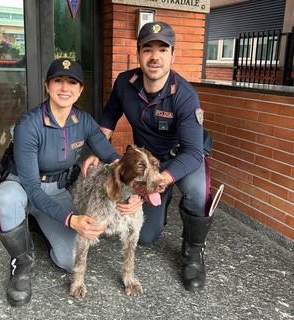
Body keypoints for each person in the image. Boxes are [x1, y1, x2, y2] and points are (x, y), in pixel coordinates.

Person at [83, 22, 218, 292]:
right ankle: (161, 203)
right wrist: (96, 153)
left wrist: (157, 183)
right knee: (145, 237)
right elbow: (108, 120)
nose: (155, 56)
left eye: (162, 49)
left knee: (198, 192)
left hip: (182, 159)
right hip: (147, 163)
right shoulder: (125, 83)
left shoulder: (185, 95)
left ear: (172, 56)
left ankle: (193, 252)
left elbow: (193, 151)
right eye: (148, 49)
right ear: (139, 55)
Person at [0, 58, 120, 307]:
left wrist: (132, 193)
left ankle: (37, 226)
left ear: (80, 90)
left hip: (56, 189)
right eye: (58, 80)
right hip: (23, 188)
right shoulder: (29, 124)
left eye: (72, 82)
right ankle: (21, 263)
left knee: (71, 262)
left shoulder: (83, 121)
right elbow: (31, 188)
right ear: (47, 85)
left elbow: (112, 158)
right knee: (6, 197)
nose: (65, 88)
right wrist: (71, 219)